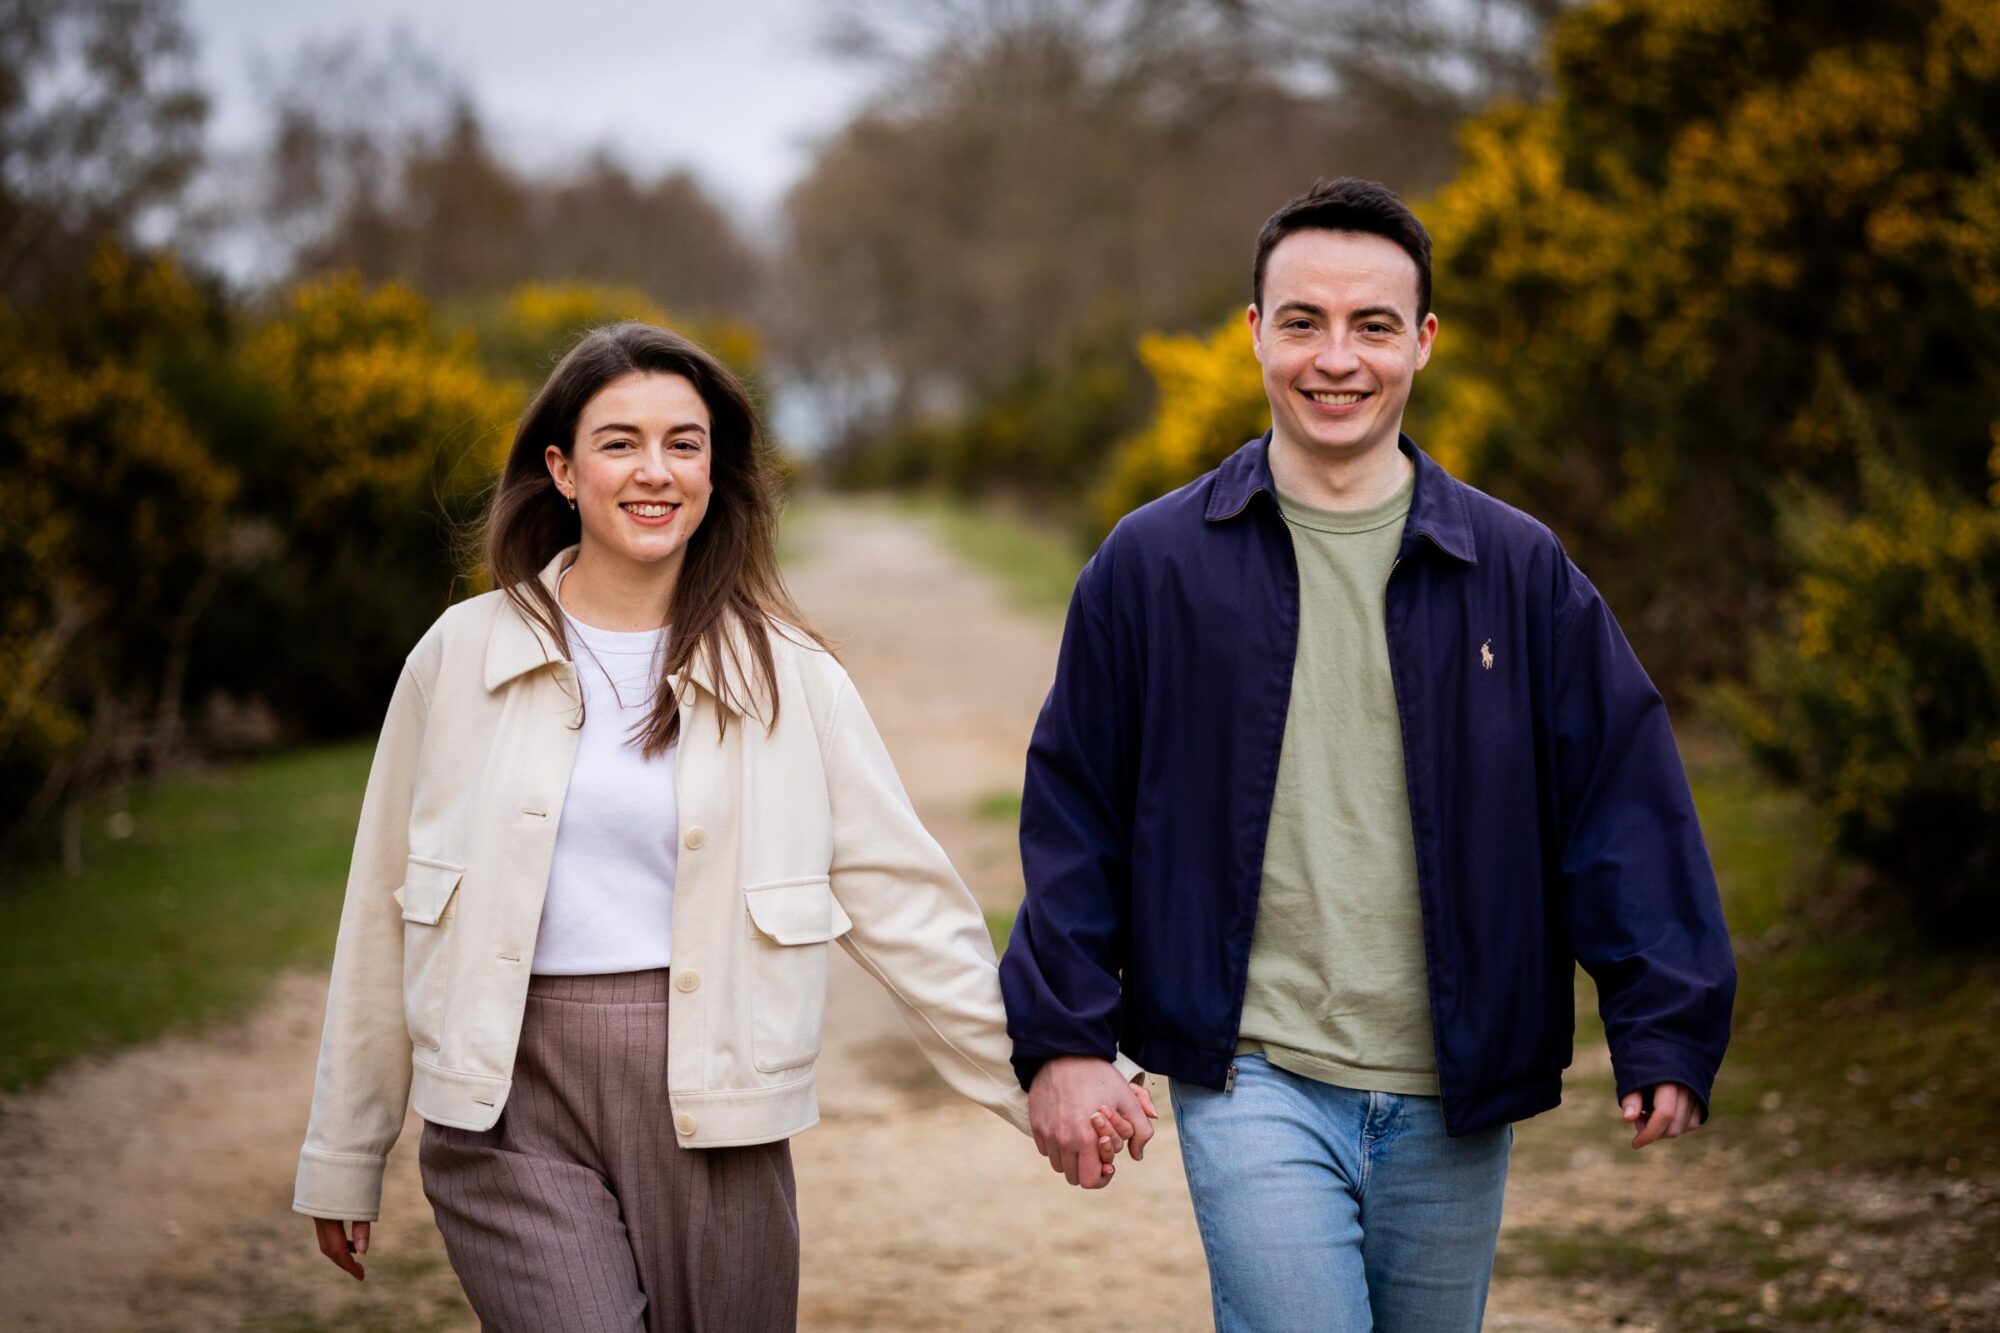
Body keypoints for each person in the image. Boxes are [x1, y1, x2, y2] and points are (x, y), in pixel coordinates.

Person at [293, 322, 1136, 1331]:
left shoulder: (790, 677)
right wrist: (344, 1150)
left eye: (682, 443)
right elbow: (381, 913)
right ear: (560, 469)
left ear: (713, 469)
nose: (654, 471)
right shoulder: (458, 657)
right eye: (618, 442)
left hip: (716, 1096)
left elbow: (902, 903)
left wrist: (1048, 1070)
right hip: (503, 1100)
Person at [999, 178, 1737, 1331]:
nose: (1333, 357)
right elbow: (1075, 814)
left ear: (1422, 343)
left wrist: (1666, 1021)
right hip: (1249, 1071)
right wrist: (1060, 1040)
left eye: (1371, 325)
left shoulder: (1515, 568)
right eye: (1301, 322)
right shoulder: (1151, 566)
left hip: (1453, 1089)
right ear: (1253, 335)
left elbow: (1617, 799)